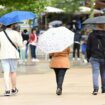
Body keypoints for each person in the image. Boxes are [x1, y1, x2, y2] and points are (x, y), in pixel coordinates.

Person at [0, 24, 23, 96]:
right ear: (12, 25)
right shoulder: (16, 33)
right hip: (13, 55)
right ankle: (13, 89)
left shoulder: (0, 34)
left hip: (3, 55)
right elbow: (20, 45)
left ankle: (7, 90)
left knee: (6, 73)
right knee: (13, 72)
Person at [86, 24, 105, 95]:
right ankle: (104, 89)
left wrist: (88, 57)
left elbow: (88, 47)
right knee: (103, 73)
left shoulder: (91, 35)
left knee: (95, 73)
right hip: (103, 57)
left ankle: (95, 89)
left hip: (94, 57)